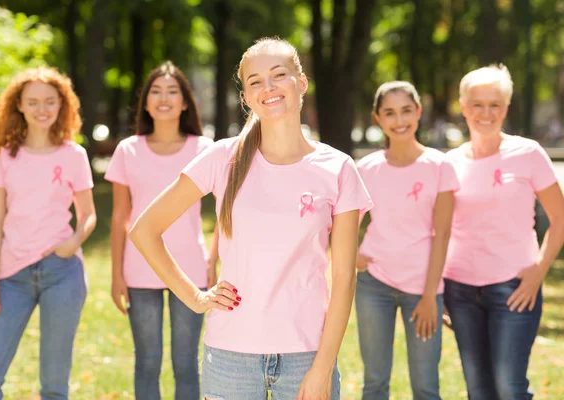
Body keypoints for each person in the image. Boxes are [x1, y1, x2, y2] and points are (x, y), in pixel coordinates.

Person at [128, 37, 373, 400]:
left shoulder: (338, 168)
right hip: (230, 356)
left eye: (279, 75)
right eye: (255, 81)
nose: (268, 88)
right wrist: (194, 297)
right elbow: (144, 230)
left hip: (306, 354)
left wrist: (322, 368)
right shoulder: (221, 158)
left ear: (301, 82)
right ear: (246, 96)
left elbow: (343, 278)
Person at [0, 67, 96, 400]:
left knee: (54, 384)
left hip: (62, 273)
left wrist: (72, 243)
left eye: (50, 102)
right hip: (11, 276)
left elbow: (88, 215)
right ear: (20, 106)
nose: (42, 109)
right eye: (33, 102)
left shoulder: (74, 155)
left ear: (61, 105)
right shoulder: (6, 156)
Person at [443, 64, 564, 399]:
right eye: (477, 104)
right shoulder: (449, 163)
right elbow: (436, 232)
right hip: (460, 291)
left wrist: (537, 274)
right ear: (463, 107)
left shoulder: (528, 154)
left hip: (514, 288)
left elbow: (560, 218)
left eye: (494, 104)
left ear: (506, 108)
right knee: (478, 391)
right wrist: (437, 289)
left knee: (509, 388)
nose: (486, 112)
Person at [105, 61, 216, 400]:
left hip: (190, 270)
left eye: (173, 91)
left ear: (185, 102)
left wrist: (213, 261)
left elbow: (227, 213)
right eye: (156, 91)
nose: (163, 98)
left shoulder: (205, 149)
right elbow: (120, 217)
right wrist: (116, 275)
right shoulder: (128, 150)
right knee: (147, 363)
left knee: (186, 363)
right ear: (146, 102)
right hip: (139, 271)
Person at [355, 81, 458, 400]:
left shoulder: (440, 166)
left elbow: (442, 234)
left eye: (406, 111)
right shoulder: (366, 168)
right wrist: (351, 255)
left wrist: (430, 296)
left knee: (426, 386)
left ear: (418, 112)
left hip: (422, 289)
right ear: (378, 118)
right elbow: (341, 225)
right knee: (374, 381)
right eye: (390, 113)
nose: (399, 120)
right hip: (373, 285)